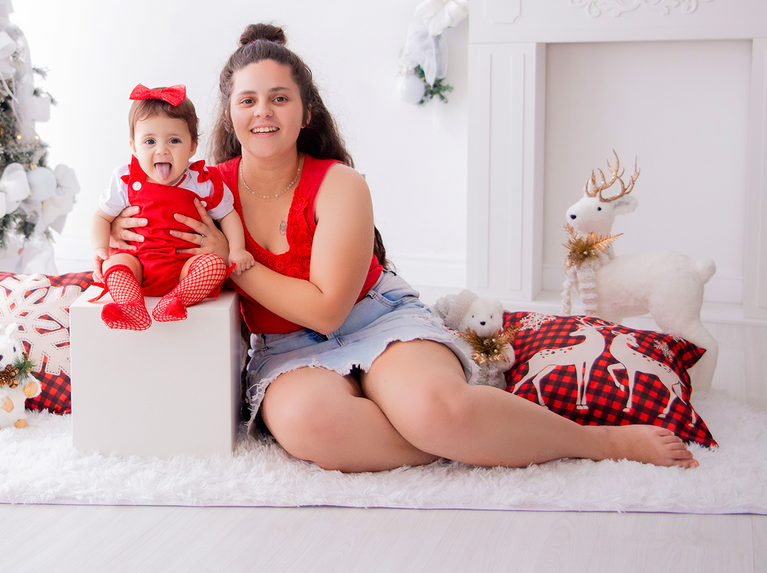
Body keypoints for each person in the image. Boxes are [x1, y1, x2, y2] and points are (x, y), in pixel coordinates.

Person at [108, 24, 698, 472]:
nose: (263, 111)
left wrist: (236, 259)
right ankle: (464, 441)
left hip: (373, 319)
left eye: (279, 98)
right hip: (284, 348)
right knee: (313, 427)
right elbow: (133, 227)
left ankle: (594, 442)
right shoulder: (199, 189)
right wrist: (112, 244)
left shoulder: (339, 183)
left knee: (436, 409)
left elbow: (327, 309)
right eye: (247, 100)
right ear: (230, 115)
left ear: (305, 111)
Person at [90, 84, 254, 331]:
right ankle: (131, 305)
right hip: (138, 263)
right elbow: (101, 216)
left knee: (215, 266)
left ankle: (176, 300)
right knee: (114, 265)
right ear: (134, 146)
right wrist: (100, 248)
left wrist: (237, 249)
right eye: (149, 141)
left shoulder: (202, 182)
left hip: (184, 267)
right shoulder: (125, 180)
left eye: (174, 140)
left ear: (192, 146)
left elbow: (228, 214)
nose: (162, 149)